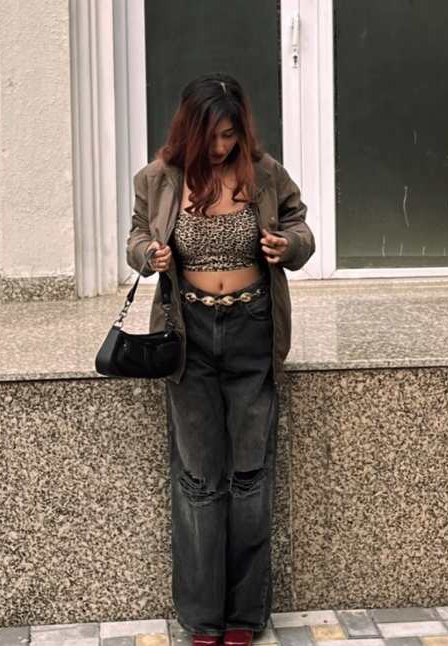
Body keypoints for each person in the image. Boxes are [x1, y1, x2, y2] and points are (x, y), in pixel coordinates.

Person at [126, 73, 315, 646]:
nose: (221, 147)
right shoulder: (158, 179)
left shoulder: (265, 173)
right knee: (201, 480)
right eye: (211, 136)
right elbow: (135, 238)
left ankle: (244, 616)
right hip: (189, 336)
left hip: (252, 328)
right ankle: (203, 618)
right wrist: (148, 254)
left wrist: (290, 246)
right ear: (189, 129)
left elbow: (300, 226)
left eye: (230, 135)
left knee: (250, 476)